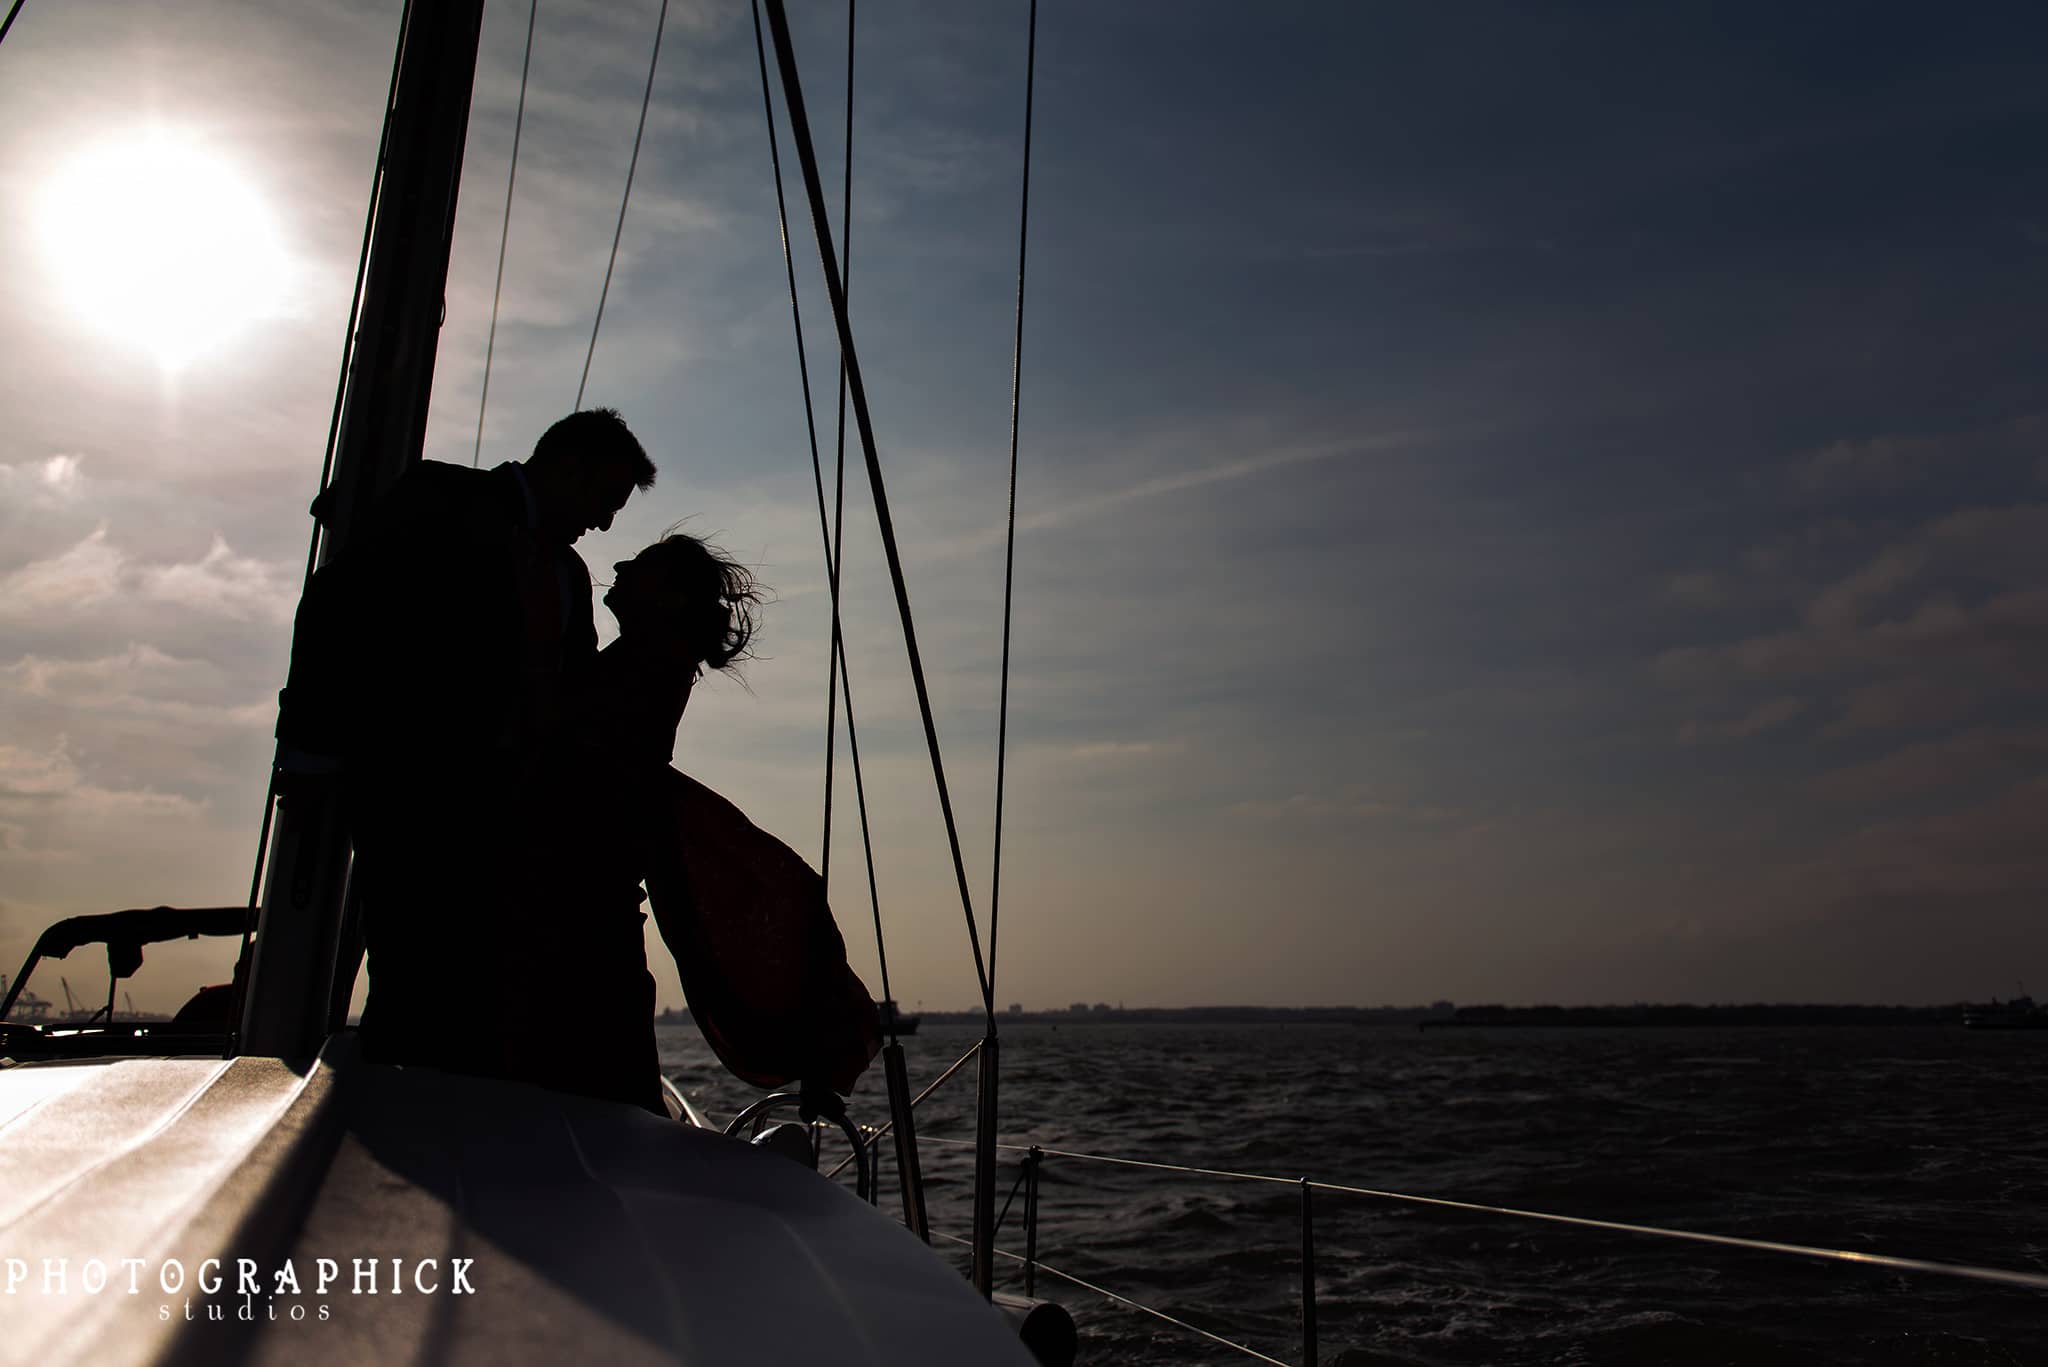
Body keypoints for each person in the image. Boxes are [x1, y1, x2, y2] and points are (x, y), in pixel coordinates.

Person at [274, 408, 655, 1077]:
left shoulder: (569, 577)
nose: (605, 523)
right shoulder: (440, 500)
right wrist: (309, 755)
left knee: (494, 1017)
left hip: (520, 836)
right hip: (414, 803)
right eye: (605, 500)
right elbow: (335, 612)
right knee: (418, 1005)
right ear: (570, 465)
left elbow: (573, 702)